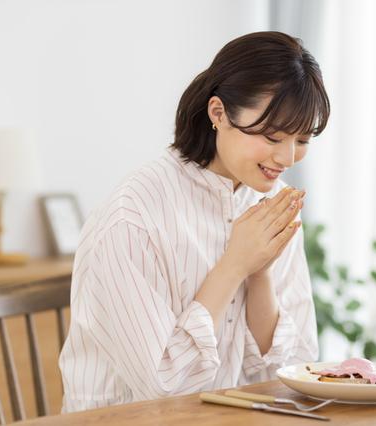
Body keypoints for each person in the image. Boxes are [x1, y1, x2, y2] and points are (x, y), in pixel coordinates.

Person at [59, 31, 330, 412]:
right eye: (272, 136)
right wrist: (234, 265)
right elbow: (164, 392)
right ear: (218, 113)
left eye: (302, 140)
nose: (286, 158)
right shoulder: (132, 217)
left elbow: (293, 370)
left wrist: (259, 272)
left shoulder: (271, 202)